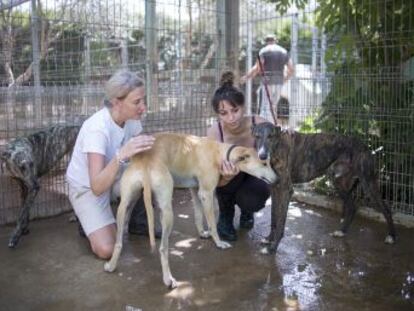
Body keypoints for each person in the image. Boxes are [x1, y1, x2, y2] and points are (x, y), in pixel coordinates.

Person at [66, 70, 156, 259]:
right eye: (137, 102)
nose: (143, 107)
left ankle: (137, 222)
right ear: (116, 102)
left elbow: (142, 156)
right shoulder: (97, 129)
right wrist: (122, 155)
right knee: (108, 250)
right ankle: (86, 220)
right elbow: (97, 187)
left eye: (143, 100)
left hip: (114, 176)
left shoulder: (132, 120)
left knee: (148, 175)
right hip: (88, 188)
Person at [207, 71, 271, 241]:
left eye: (235, 110)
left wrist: (282, 134)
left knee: (254, 198)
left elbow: (277, 151)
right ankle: (226, 215)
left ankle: (246, 211)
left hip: (252, 178)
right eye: (224, 113)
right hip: (226, 182)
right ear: (218, 114)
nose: (231, 117)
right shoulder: (215, 132)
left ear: (243, 106)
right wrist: (226, 178)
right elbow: (210, 176)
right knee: (222, 174)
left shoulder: (259, 123)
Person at [241, 33, 294, 123]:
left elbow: (258, 67)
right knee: (274, 105)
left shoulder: (263, 51)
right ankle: (272, 124)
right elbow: (291, 69)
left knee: (265, 105)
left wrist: (247, 76)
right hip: (279, 81)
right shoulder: (283, 51)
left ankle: (264, 124)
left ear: (266, 41)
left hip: (267, 81)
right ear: (275, 41)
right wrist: (285, 79)